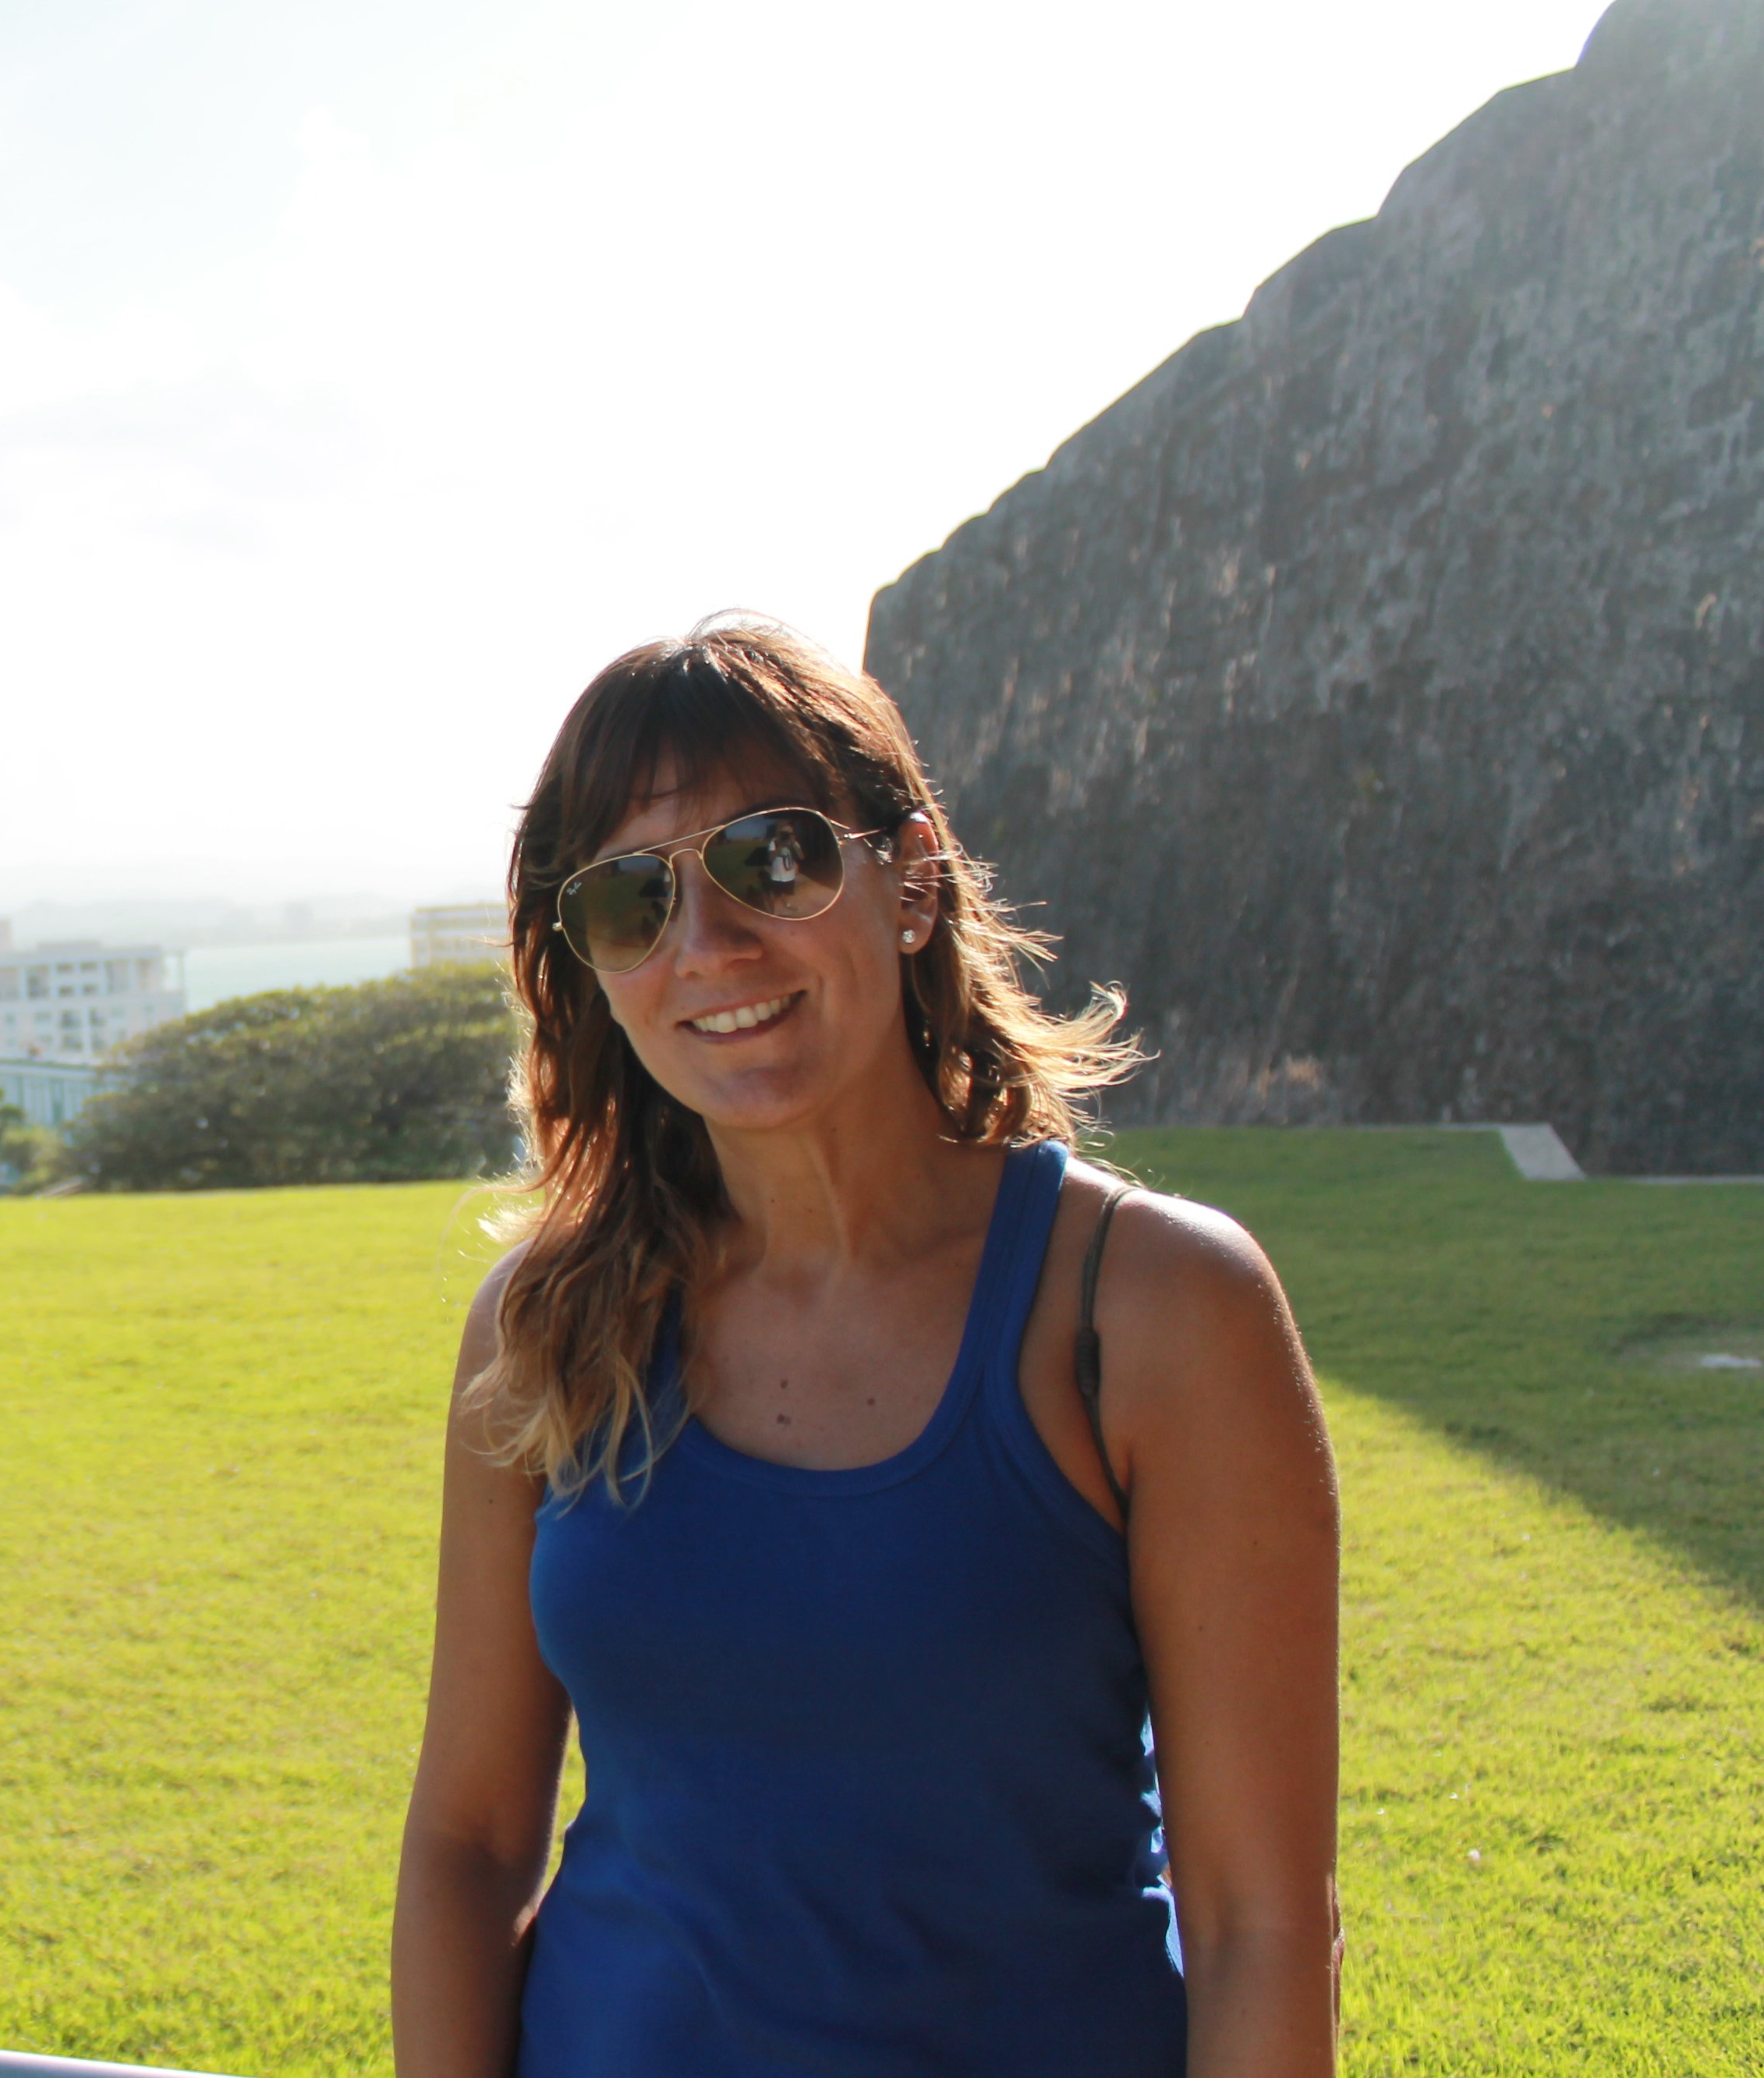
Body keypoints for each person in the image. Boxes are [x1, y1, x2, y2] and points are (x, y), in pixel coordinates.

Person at [392, 623, 1338, 2076]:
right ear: (589, 967)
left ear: (909, 878)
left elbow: (1259, 1920)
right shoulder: (547, 1329)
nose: (709, 947)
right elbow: (467, 1842)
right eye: (633, 899)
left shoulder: (1150, 1309)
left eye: (772, 860)